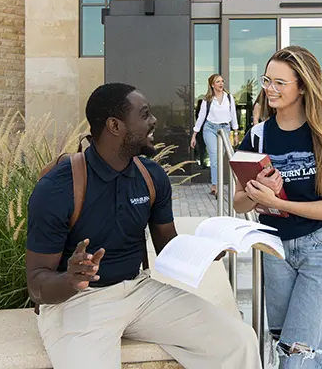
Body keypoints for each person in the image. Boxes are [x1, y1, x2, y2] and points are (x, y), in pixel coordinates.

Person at [25, 83, 261, 369]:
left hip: (138, 291)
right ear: (115, 126)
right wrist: (71, 279)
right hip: (75, 303)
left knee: (239, 341)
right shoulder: (59, 187)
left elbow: (167, 247)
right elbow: (36, 284)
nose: (154, 121)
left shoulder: (151, 176)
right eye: (145, 114)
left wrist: (210, 249)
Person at [233, 46, 322, 369]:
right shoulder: (258, 137)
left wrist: (278, 201)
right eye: (266, 80)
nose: (269, 89)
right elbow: (238, 200)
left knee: (297, 353)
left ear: (302, 86)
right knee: (294, 351)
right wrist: (259, 195)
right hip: (275, 251)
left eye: (279, 83)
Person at [190, 74, 239, 197]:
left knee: (220, 158)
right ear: (212, 84)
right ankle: (215, 185)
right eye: (218, 82)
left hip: (225, 129)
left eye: (222, 81)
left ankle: (218, 184)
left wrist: (236, 132)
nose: (221, 83)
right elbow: (201, 118)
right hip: (210, 129)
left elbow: (233, 115)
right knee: (214, 157)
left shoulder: (229, 98)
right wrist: (194, 135)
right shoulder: (207, 100)